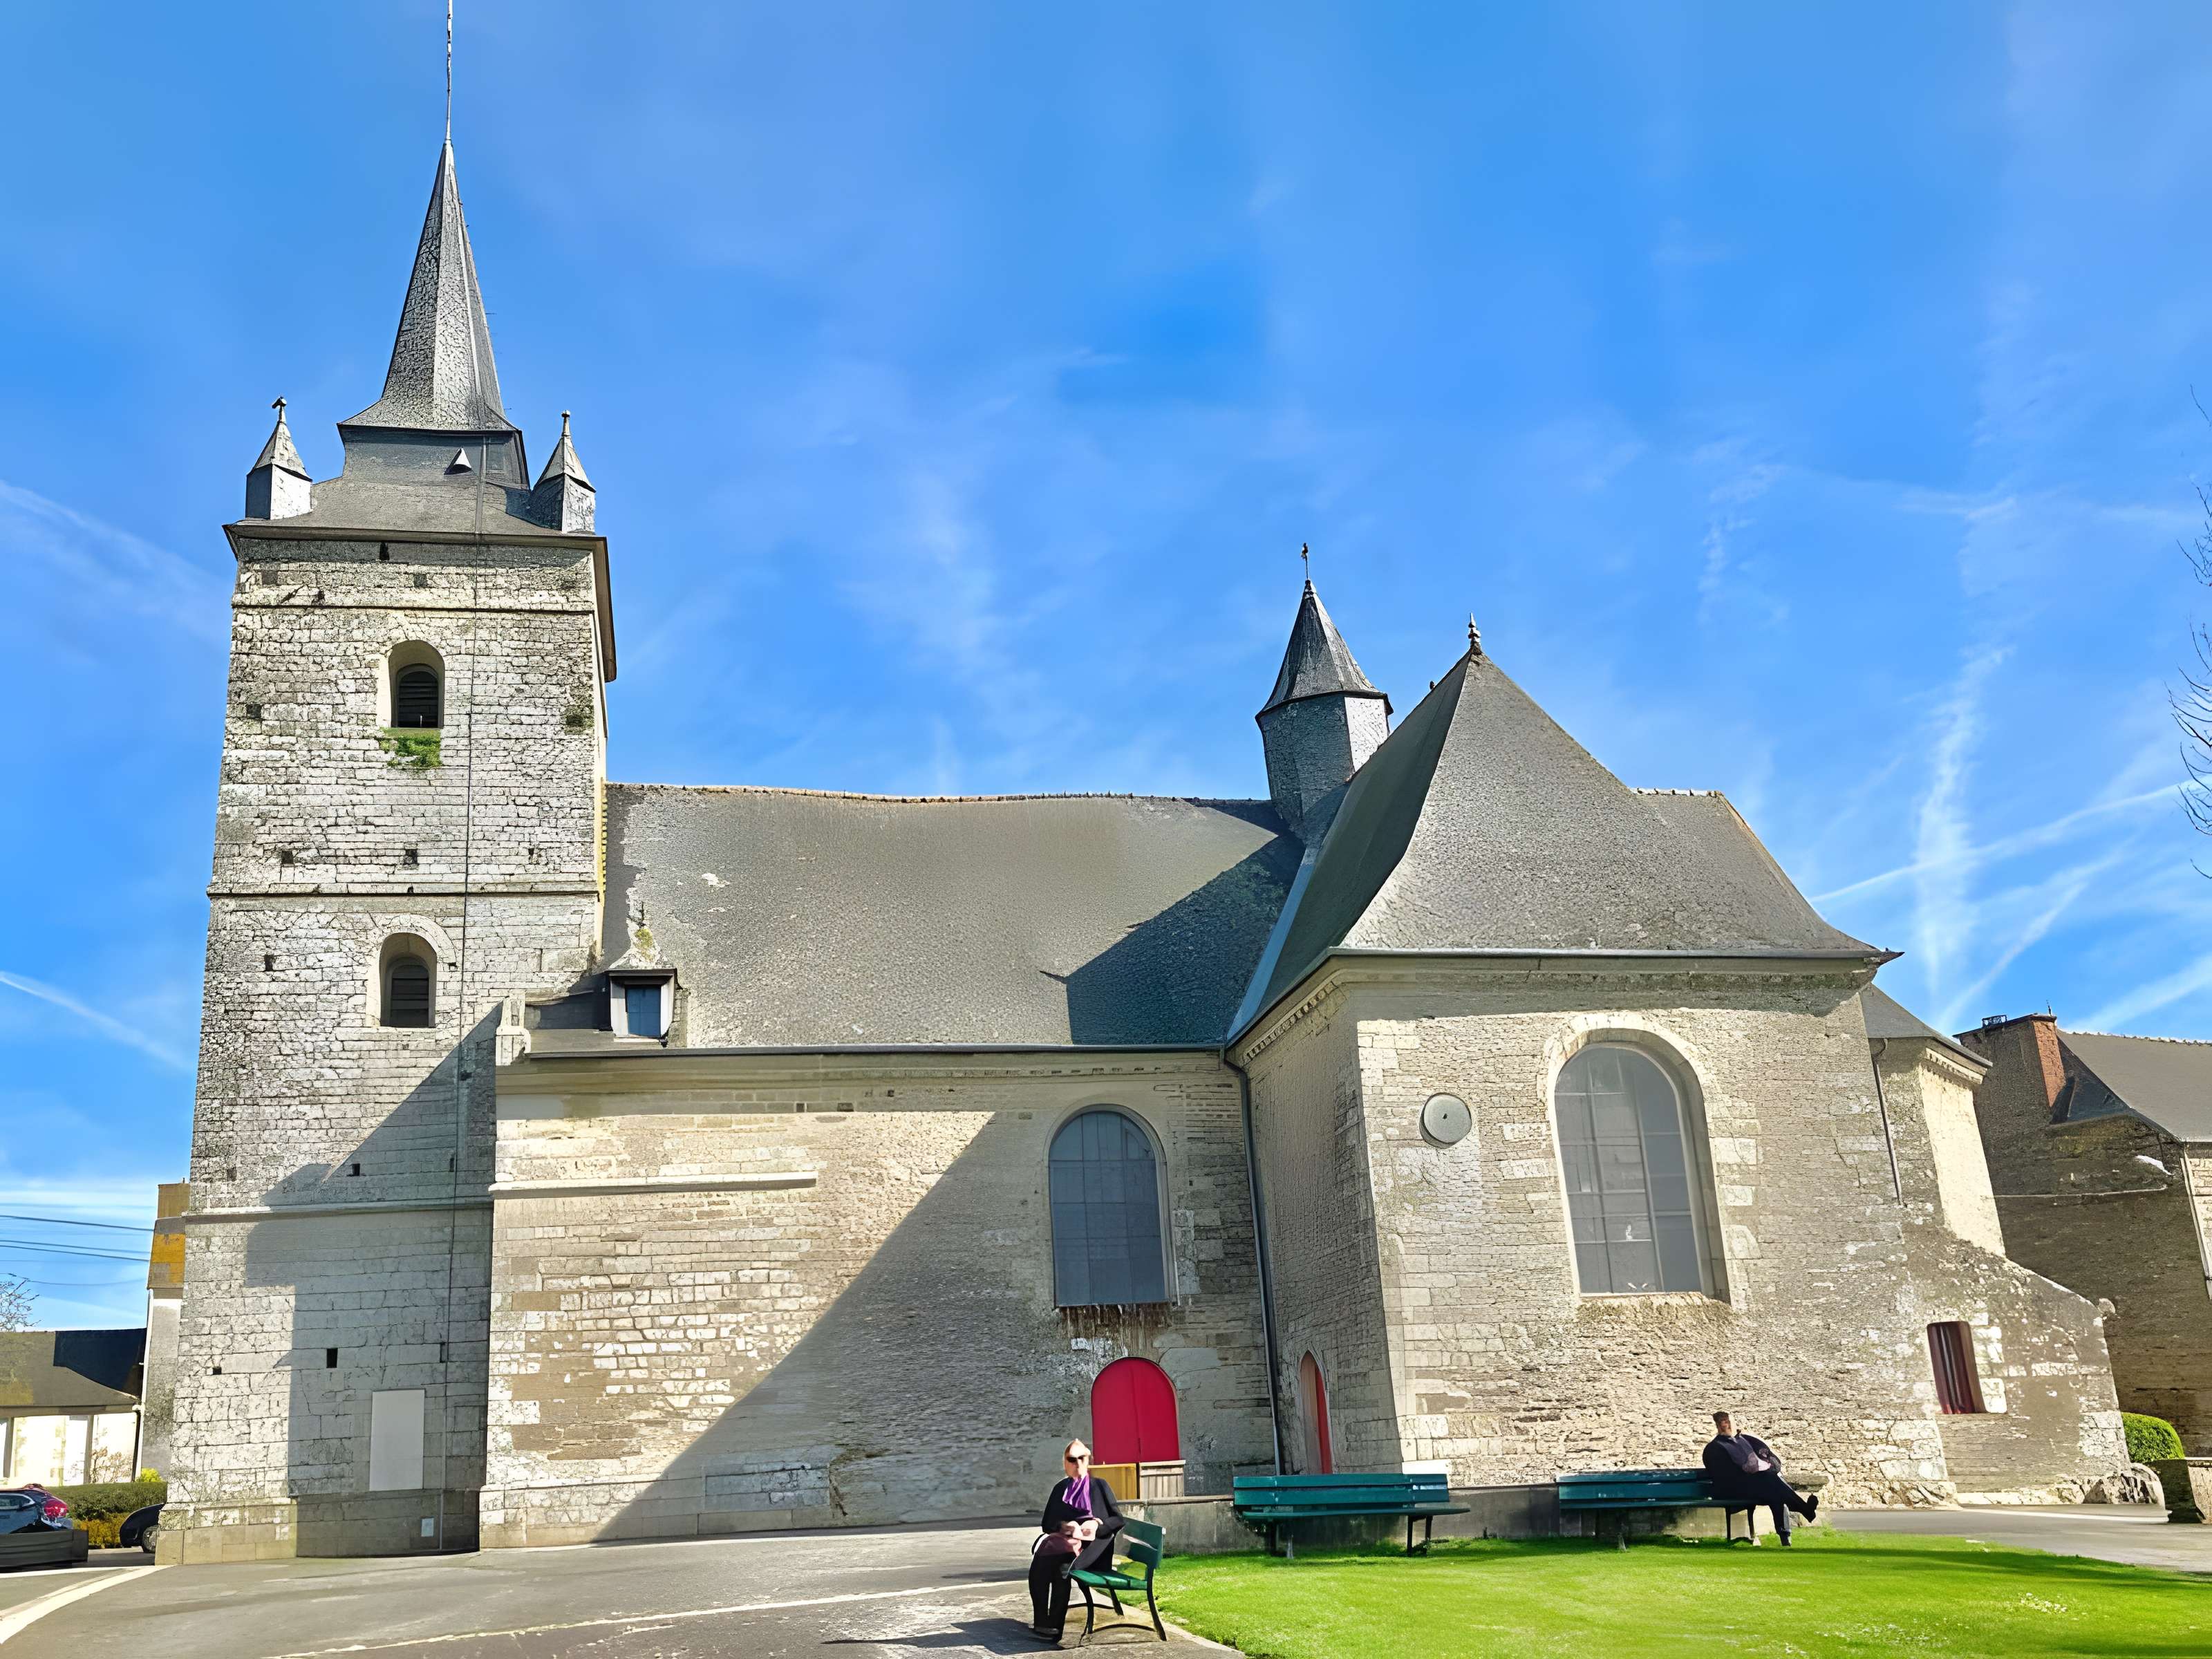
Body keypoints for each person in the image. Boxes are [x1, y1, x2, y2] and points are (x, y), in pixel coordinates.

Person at [1029, 1438, 1125, 1640]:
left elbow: (1117, 1519)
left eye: (1082, 1458)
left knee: (1060, 1567)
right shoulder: (1060, 1488)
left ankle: (1053, 1627)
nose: (1077, 1464)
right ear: (1065, 1464)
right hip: (1067, 1547)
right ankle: (1044, 1623)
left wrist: (1097, 1525)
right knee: (1041, 1566)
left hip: (1094, 1552)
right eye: (1072, 1460)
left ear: (1089, 1461)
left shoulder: (1100, 1486)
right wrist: (1065, 1527)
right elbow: (1047, 1524)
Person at [1702, 1410, 1818, 1545]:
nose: (1728, 1426)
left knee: (1774, 1491)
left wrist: (1763, 1466)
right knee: (1772, 1485)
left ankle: (1788, 1534)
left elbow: (1773, 1462)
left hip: (1754, 1487)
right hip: (1731, 1491)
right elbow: (1726, 1476)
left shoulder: (1747, 1441)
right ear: (1720, 1425)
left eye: (1729, 1422)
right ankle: (1803, 1512)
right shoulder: (1714, 1449)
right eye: (1725, 1423)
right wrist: (1753, 1470)